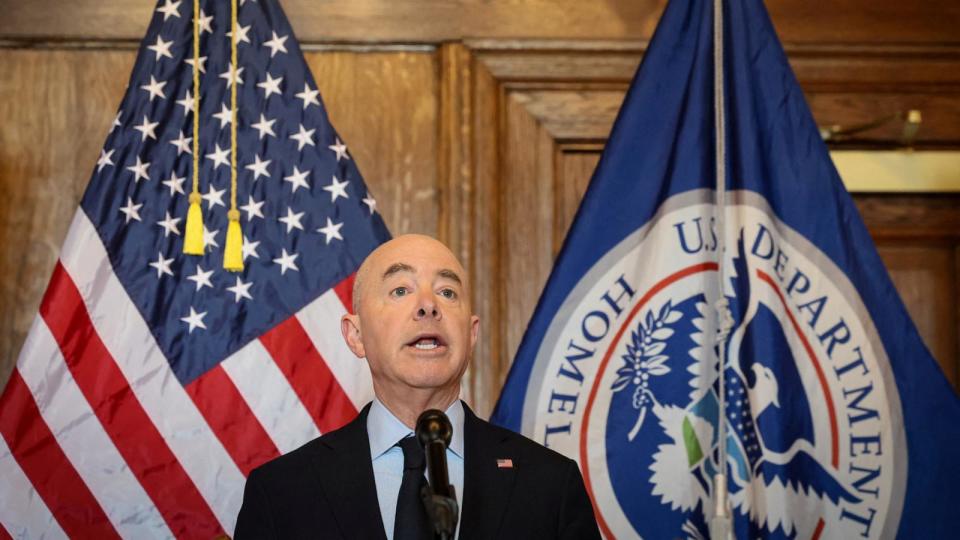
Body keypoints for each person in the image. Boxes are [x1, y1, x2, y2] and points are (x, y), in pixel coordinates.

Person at [234, 234, 600, 539]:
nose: (428, 306)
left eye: (447, 292)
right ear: (356, 335)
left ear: (471, 335)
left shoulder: (551, 484)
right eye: (399, 290)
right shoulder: (281, 492)